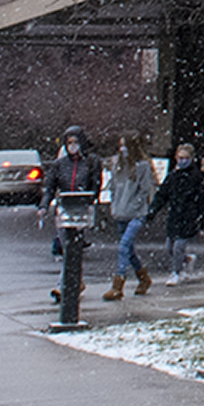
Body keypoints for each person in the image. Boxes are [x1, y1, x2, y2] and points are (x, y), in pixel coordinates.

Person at [103, 140, 160, 297]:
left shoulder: (142, 166)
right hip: (121, 211)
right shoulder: (118, 165)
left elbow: (144, 190)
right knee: (129, 250)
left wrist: (137, 207)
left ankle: (118, 283)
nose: (122, 149)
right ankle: (143, 277)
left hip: (135, 213)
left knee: (123, 246)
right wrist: (114, 205)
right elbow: (113, 186)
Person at [154, 139, 204, 285]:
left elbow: (201, 200)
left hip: (187, 215)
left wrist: (200, 218)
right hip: (175, 214)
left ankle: (176, 272)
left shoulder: (195, 178)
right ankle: (186, 260)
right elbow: (162, 194)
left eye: (185, 158)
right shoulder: (173, 176)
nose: (182, 161)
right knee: (170, 247)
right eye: (180, 158)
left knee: (178, 246)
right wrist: (153, 209)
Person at [44, 124, 99, 257]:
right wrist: (44, 205)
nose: (73, 146)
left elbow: (95, 184)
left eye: (75, 142)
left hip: (81, 204)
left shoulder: (91, 162)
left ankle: (74, 255)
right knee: (65, 235)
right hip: (65, 204)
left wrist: (90, 199)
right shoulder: (60, 164)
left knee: (77, 235)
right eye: (70, 143)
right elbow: (50, 187)